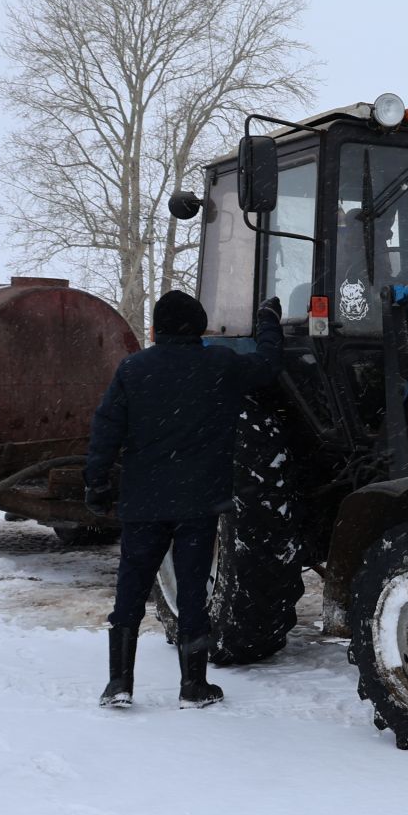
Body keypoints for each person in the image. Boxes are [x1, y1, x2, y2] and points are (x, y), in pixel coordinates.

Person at [85, 291, 283, 708]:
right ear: (199, 328)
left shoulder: (133, 369)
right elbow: (267, 367)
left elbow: (106, 428)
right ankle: (193, 686)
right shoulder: (220, 365)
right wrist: (268, 321)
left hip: (144, 501)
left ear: (156, 329)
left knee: (131, 589)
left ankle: (118, 683)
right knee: (193, 591)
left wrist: (97, 482)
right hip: (199, 501)